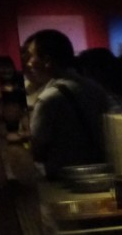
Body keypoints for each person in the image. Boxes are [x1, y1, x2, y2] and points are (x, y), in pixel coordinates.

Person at [22, 29, 109, 179]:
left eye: (32, 56)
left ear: (47, 61)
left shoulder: (49, 98)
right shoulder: (95, 88)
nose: (29, 63)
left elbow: (37, 148)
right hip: (100, 170)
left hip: (64, 177)